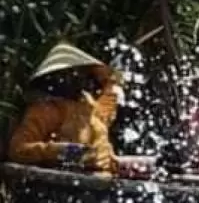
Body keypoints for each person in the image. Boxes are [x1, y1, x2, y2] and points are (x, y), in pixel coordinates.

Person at [7, 42, 124, 175]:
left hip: (97, 183)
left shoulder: (88, 105)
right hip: (56, 185)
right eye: (69, 73)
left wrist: (107, 78)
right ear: (56, 76)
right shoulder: (46, 110)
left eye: (80, 72)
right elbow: (17, 150)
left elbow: (109, 103)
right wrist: (61, 151)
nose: (76, 77)